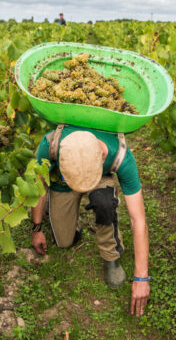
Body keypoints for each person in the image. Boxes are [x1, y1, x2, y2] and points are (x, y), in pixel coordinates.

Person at [31, 125, 150, 316]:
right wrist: (36, 229)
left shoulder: (120, 156)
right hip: (64, 180)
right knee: (63, 242)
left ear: (102, 158)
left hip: (100, 179)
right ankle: (64, 216)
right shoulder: (50, 145)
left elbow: (138, 220)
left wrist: (142, 278)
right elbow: (39, 187)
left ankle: (111, 257)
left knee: (104, 201)